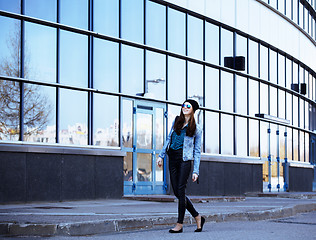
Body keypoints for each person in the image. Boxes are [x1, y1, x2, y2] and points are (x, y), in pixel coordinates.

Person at [157, 99, 205, 233]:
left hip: (185, 160)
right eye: (183, 105)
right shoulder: (176, 121)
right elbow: (168, 139)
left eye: (188, 106)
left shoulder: (197, 128)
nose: (184, 107)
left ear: (193, 109)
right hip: (172, 158)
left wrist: (196, 170)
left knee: (181, 190)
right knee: (177, 192)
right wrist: (161, 155)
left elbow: (197, 150)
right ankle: (197, 216)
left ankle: (179, 224)